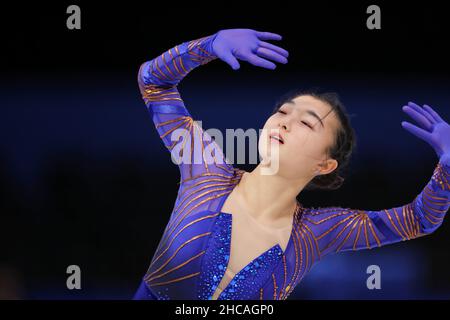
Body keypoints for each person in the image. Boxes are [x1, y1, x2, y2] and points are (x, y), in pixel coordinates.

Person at [133, 29, 450, 300]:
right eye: (283, 112)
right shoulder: (206, 171)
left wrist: (447, 167)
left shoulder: (316, 231)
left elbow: (419, 219)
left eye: (307, 124)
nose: (284, 123)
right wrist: (209, 45)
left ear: (325, 164)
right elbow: (153, 82)